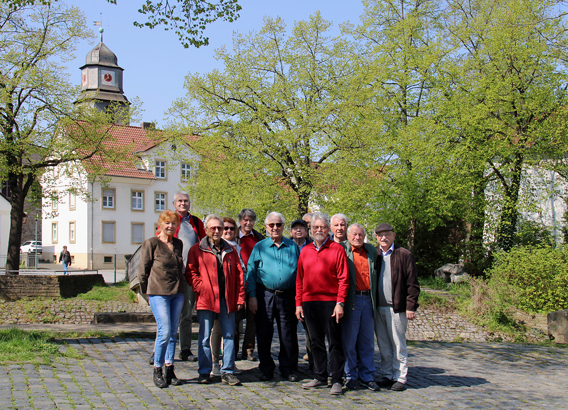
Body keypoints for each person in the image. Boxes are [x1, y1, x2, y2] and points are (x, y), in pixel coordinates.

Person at [187, 214, 245, 386]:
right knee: (204, 337)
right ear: (206, 230)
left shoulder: (231, 250)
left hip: (228, 300)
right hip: (207, 299)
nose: (217, 231)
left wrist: (240, 297)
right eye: (213, 228)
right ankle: (204, 371)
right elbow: (190, 272)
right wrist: (201, 287)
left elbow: (240, 276)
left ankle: (228, 371)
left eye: (220, 228)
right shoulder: (197, 249)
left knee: (229, 336)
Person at [295, 212, 349, 396]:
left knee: (334, 342)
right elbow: (299, 279)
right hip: (309, 302)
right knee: (315, 342)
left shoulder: (337, 249)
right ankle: (319, 376)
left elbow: (343, 278)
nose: (319, 230)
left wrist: (340, 302)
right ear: (310, 230)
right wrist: (298, 304)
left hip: (330, 302)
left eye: (322, 227)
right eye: (315, 227)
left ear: (328, 229)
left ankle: (336, 379)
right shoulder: (305, 250)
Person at [247, 212, 301, 382]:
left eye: (278, 225)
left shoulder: (292, 247)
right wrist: (253, 296)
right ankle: (266, 367)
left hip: (287, 296)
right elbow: (251, 272)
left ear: (284, 226)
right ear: (266, 227)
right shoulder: (260, 247)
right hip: (265, 295)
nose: (275, 228)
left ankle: (287, 367)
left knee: (288, 333)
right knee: (264, 333)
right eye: (272, 225)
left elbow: (301, 274)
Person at [138, 210, 185, 388]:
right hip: (158, 292)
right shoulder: (152, 243)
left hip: (177, 293)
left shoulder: (178, 244)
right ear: (161, 224)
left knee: (173, 332)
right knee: (164, 331)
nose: (170, 226)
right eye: (167, 223)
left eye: (173, 223)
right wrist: (146, 293)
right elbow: (143, 270)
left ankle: (169, 368)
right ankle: (157, 368)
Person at [374, 222, 420, 392]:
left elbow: (412, 283)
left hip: (397, 307)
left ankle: (400, 376)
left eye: (387, 234)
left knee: (398, 344)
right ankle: (387, 375)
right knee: (384, 344)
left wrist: (411, 306)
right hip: (379, 307)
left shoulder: (404, 254)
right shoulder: (375, 254)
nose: (384, 238)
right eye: (380, 235)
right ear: (377, 238)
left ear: (393, 235)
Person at [341, 224, 380, 391]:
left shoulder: (371, 251)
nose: (357, 238)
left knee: (367, 341)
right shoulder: (342, 249)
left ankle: (367, 375)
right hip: (352, 299)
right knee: (350, 340)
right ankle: (349, 375)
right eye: (354, 235)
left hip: (368, 299)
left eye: (360, 235)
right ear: (348, 236)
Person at [210, 217, 244, 377]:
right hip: (215, 296)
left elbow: (240, 273)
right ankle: (215, 362)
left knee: (232, 331)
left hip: (231, 295)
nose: (228, 231)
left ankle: (229, 364)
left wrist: (240, 296)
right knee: (217, 330)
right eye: (226, 228)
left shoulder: (235, 248)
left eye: (231, 228)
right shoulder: (212, 247)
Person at [235, 208, 264, 361]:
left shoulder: (259, 238)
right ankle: (233, 350)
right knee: (235, 318)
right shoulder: (233, 236)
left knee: (253, 317)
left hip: (254, 282)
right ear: (240, 221)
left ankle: (248, 349)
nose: (248, 223)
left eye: (251, 220)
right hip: (237, 283)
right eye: (245, 220)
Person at [289, 219, 313, 367]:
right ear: (291, 231)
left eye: (301, 228)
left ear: (306, 231)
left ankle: (313, 359)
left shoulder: (312, 247)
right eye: (295, 228)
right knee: (290, 328)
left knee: (310, 329)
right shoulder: (286, 245)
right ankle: (291, 362)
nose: (298, 231)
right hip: (289, 292)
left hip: (307, 292)